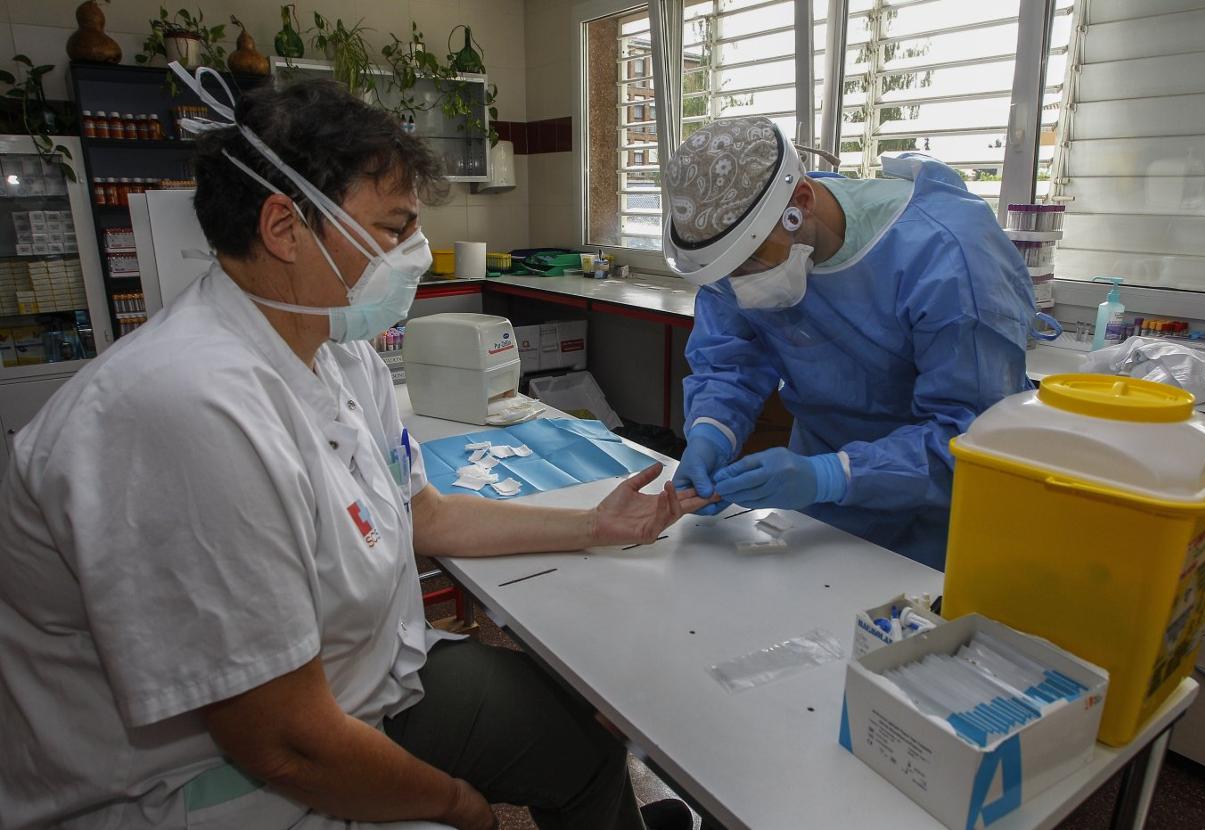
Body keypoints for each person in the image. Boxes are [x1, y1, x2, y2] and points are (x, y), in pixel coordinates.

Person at [0, 69, 705, 830]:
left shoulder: (338, 349)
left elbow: (423, 515)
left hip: (366, 686)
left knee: (582, 746)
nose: (415, 251)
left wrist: (592, 527)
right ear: (283, 227)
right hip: (204, 787)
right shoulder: (181, 410)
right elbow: (284, 746)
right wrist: (464, 806)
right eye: (394, 229)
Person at [663, 116, 1036, 569]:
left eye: (751, 263)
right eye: (725, 275)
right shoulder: (738, 254)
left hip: (940, 510)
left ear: (800, 203)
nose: (739, 288)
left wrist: (827, 475)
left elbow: (971, 434)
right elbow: (728, 363)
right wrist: (709, 434)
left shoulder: (949, 254)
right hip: (818, 510)